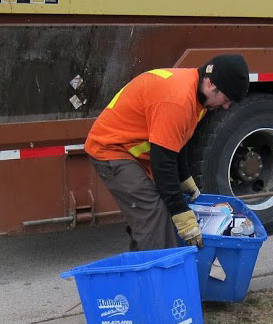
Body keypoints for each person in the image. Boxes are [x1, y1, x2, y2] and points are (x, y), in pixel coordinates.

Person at [85, 54, 250, 251]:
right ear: (211, 84)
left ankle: (143, 272)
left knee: (153, 216)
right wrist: (183, 216)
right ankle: (161, 278)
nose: (226, 106)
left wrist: (184, 178)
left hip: (131, 151)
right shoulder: (177, 101)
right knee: (154, 215)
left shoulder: (197, 95)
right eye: (227, 98)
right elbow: (162, 163)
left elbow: (177, 142)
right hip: (111, 149)